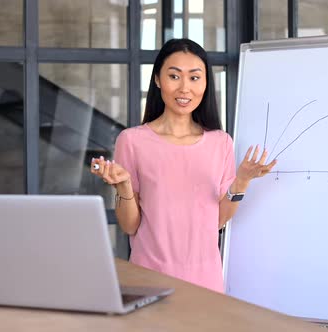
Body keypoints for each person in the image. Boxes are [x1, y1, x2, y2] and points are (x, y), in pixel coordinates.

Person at [90, 38, 277, 293]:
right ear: (157, 79)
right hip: (148, 279)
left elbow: (218, 220)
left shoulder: (220, 142)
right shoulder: (132, 141)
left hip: (206, 282)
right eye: (174, 76)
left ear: (206, 83)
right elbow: (130, 226)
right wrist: (123, 185)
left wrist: (241, 181)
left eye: (194, 78)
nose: (185, 88)